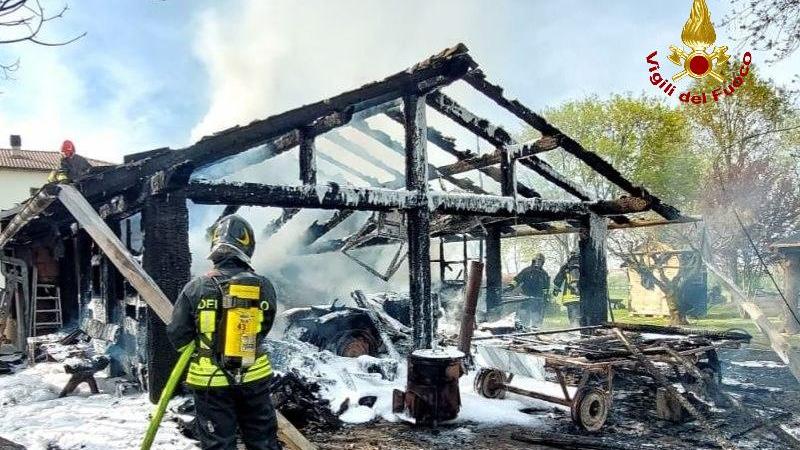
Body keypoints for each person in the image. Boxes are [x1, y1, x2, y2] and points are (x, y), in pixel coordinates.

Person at [167, 215, 280, 450]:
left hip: (210, 382)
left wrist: (204, 348)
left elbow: (177, 333)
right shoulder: (263, 285)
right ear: (247, 248)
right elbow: (264, 327)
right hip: (253, 377)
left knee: (219, 444)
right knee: (263, 442)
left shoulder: (195, 287)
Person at [505, 253, 550, 327]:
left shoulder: (544, 274)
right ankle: (524, 331)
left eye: (540, 261)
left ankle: (535, 332)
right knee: (524, 316)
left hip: (537, 299)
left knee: (536, 318)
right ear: (533, 261)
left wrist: (545, 297)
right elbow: (517, 279)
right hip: (525, 298)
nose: (538, 263)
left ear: (542, 263)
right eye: (537, 261)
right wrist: (511, 286)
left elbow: (546, 288)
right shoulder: (526, 271)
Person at [553, 252, 582, 327]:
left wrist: (556, 290)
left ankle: (574, 329)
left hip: (569, 297)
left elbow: (558, 279)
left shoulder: (565, 267)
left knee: (572, 315)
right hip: (581, 295)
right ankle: (579, 330)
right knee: (580, 315)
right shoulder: (584, 265)